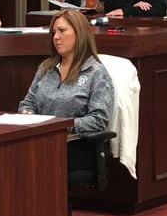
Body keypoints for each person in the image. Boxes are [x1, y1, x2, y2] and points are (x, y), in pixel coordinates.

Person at [18, 9, 114, 170]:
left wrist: (60, 125)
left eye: (62, 31)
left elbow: (99, 120)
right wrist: (26, 113)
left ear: (79, 34)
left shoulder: (96, 73)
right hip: (39, 141)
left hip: (75, 147)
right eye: (54, 32)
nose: (56, 37)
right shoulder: (46, 68)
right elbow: (27, 103)